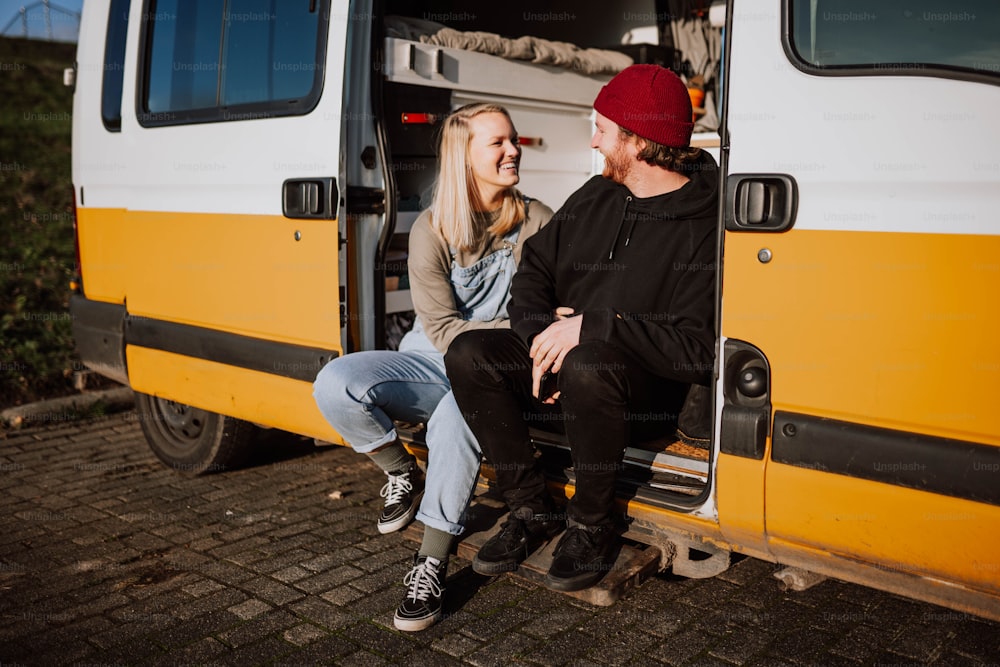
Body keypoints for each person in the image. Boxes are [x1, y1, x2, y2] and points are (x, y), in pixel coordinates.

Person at [445, 65, 718, 592]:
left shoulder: (703, 227)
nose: (594, 141)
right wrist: (542, 340)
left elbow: (697, 352)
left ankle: (593, 523)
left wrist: (598, 328)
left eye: (602, 129)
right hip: (561, 377)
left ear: (636, 141)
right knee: (468, 352)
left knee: (590, 362)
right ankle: (529, 509)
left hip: (635, 395)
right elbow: (533, 274)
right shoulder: (596, 195)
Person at [312, 103, 553, 630]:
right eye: (498, 143)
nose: (514, 150)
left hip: (488, 372)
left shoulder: (535, 218)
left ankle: (431, 560)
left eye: (514, 139)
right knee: (335, 382)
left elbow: (557, 304)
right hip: (430, 358)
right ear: (463, 156)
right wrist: (516, 325)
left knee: (455, 414)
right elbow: (442, 331)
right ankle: (401, 472)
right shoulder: (432, 228)